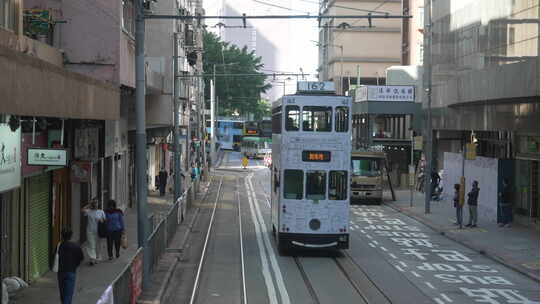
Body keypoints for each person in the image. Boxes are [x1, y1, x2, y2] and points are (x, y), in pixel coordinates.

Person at [57, 227, 84, 304]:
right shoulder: (76, 246)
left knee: (62, 294)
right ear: (71, 236)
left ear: (62, 236)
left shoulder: (59, 246)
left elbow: (54, 257)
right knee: (68, 295)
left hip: (61, 272)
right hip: (71, 271)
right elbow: (81, 258)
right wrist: (75, 265)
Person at [81, 199, 106, 265]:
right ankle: (92, 258)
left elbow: (104, 221)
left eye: (96, 203)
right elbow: (82, 210)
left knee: (98, 245)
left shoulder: (101, 212)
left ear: (98, 204)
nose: (95, 204)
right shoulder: (89, 211)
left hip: (99, 231)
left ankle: (97, 257)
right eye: (94, 203)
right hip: (90, 231)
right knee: (91, 245)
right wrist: (88, 205)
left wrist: (101, 221)